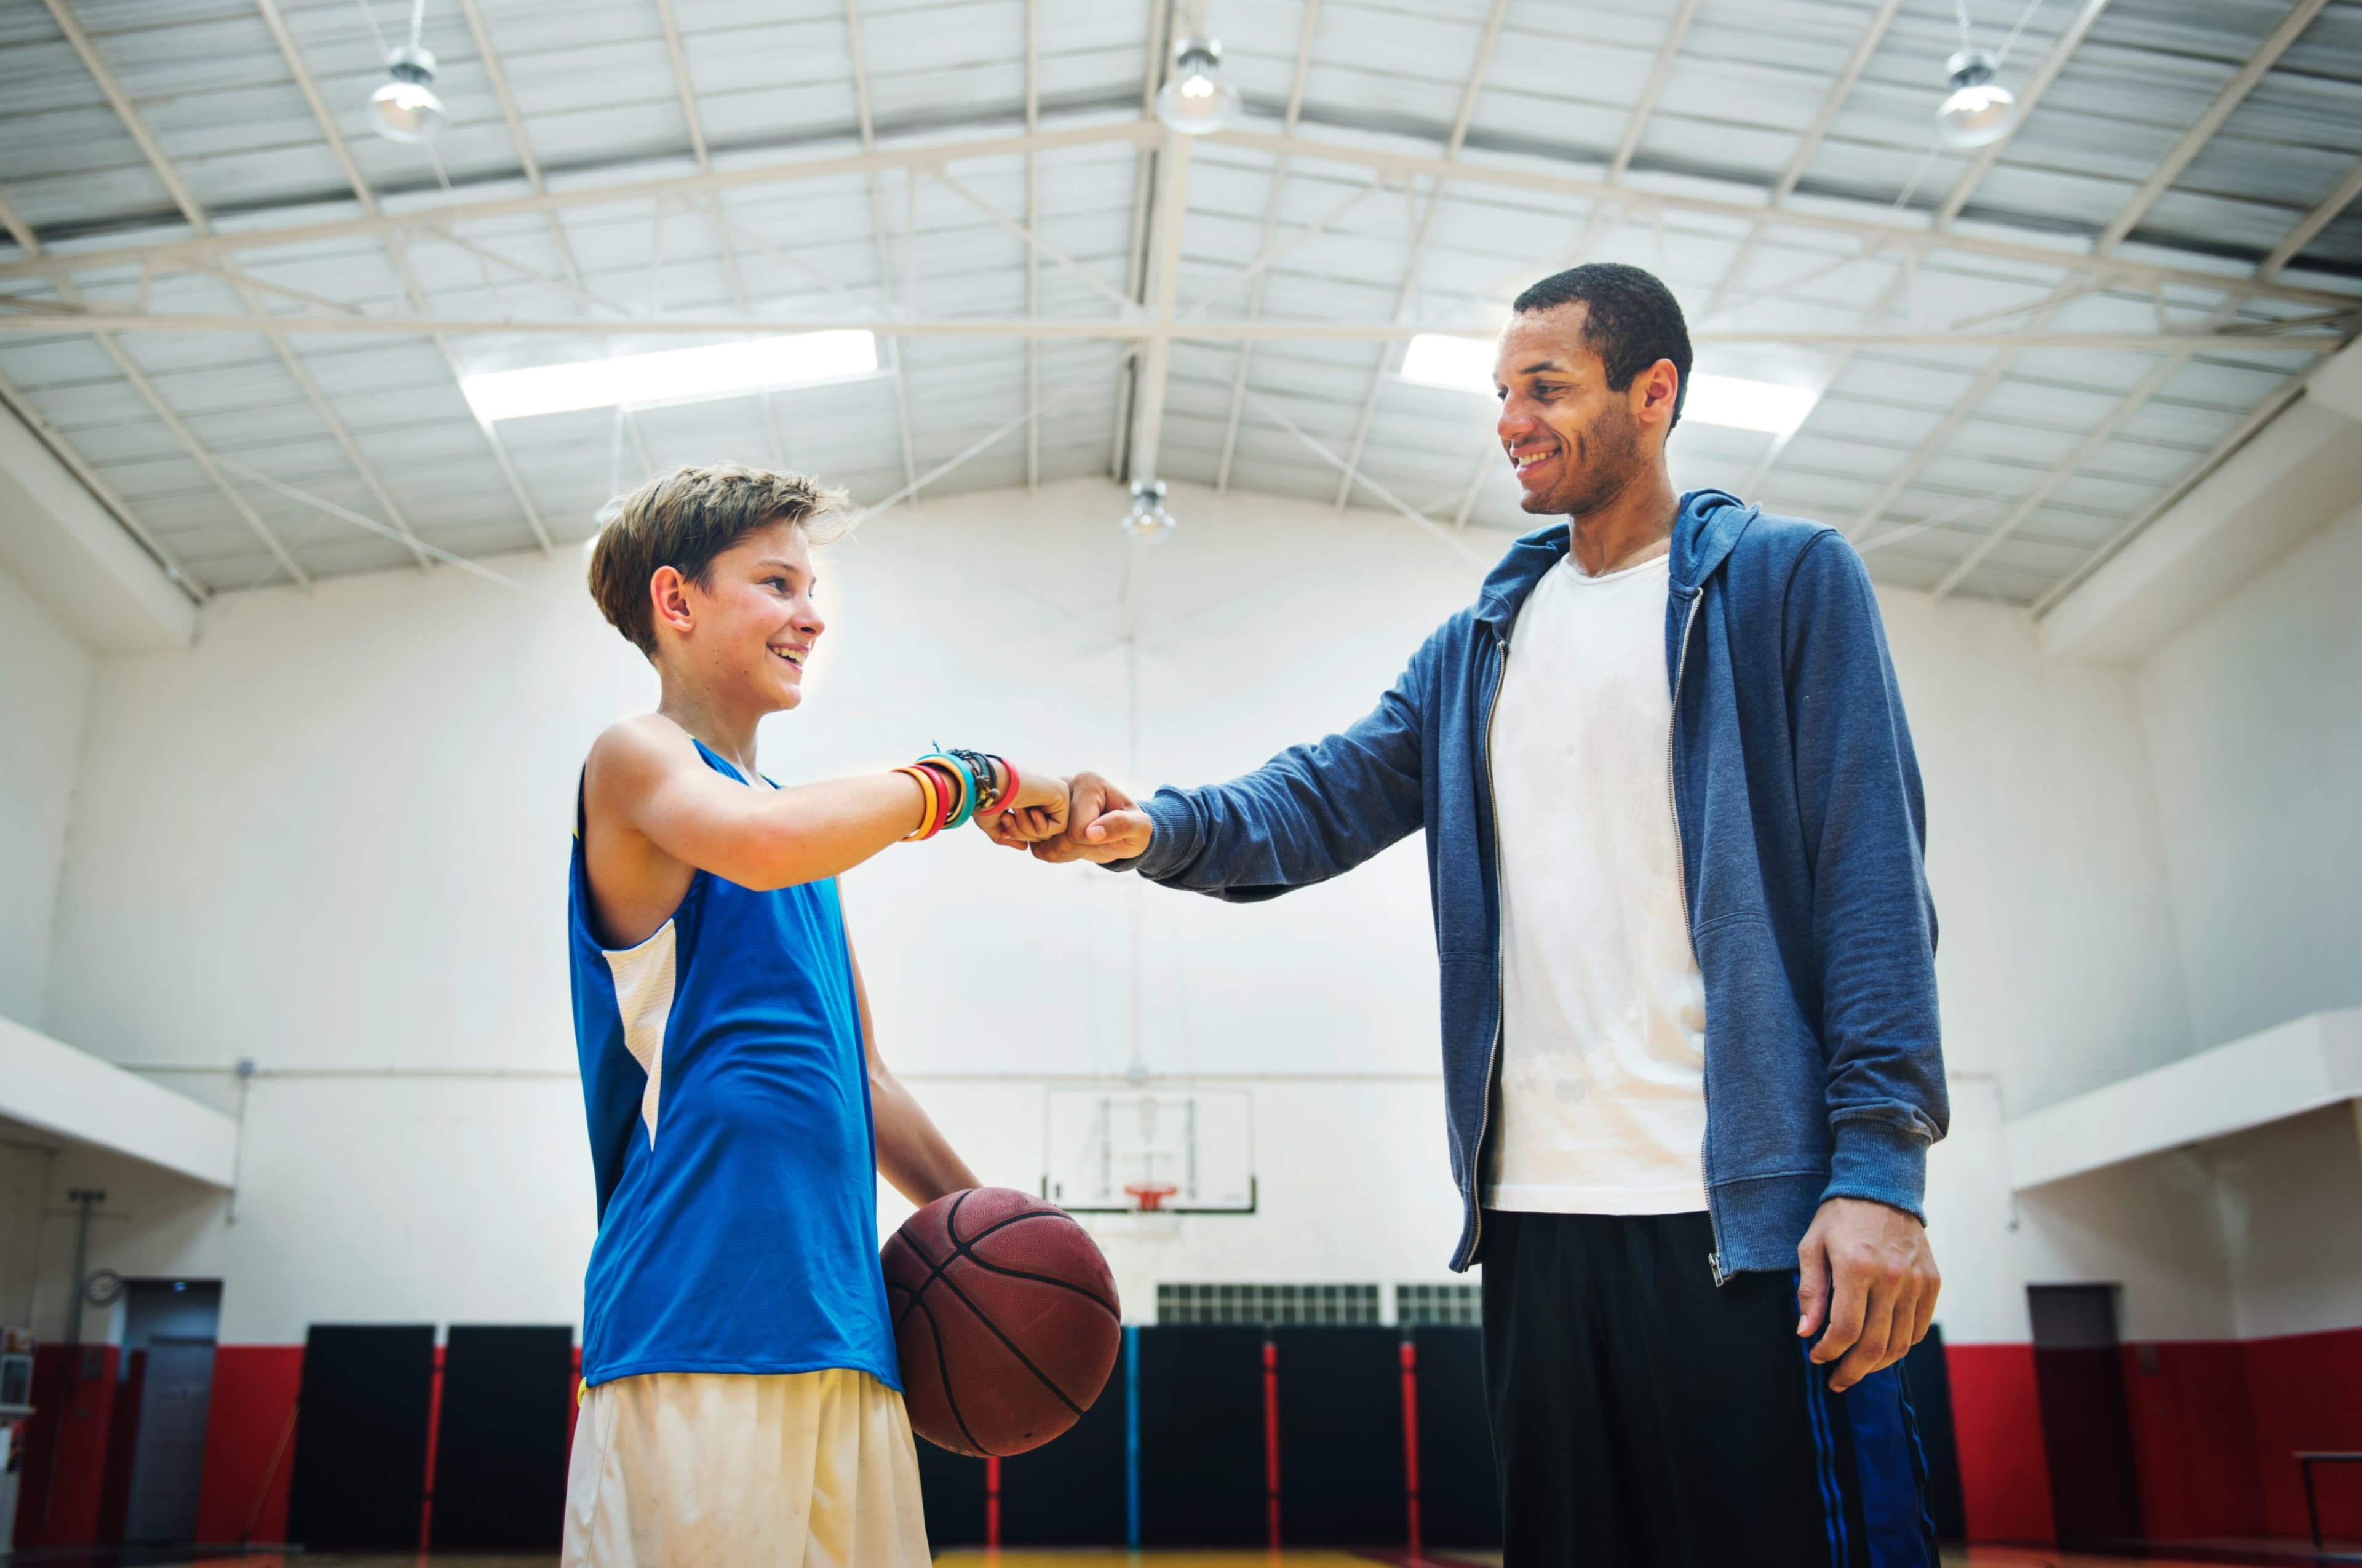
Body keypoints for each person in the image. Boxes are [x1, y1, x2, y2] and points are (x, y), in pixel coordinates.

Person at [1030, 264, 1949, 1566]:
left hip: (1747, 1224)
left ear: (1656, 393)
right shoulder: (1481, 644)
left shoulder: (1789, 584)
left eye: (1546, 388)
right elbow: (1322, 796)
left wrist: (1881, 1173)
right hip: (1535, 1222)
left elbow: (1873, 886)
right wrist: (1155, 828)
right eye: (1501, 393)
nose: (1511, 419)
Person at [561, 463, 1068, 1567]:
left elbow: (865, 1080)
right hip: (694, 1327)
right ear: (677, 601)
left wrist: (991, 1231)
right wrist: (970, 777)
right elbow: (763, 843)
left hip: (848, 1333)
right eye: (778, 581)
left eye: (812, 586)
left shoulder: (800, 839)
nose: (811, 613)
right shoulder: (639, 760)